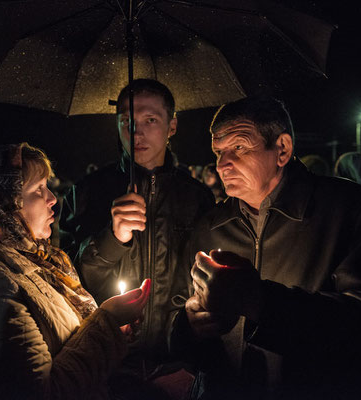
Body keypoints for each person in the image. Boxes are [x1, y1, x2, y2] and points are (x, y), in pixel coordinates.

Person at [170, 97, 361, 399]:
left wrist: (264, 304)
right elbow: (182, 315)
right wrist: (190, 323)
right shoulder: (210, 227)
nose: (223, 164)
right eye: (219, 152)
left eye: (239, 148)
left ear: (283, 149)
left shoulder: (350, 211)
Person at [0, 143, 151, 399]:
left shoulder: (31, 260)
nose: (52, 198)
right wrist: (106, 324)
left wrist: (113, 329)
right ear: (0, 204)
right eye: (38, 189)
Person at [61, 79, 214, 395]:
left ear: (172, 126)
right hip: (107, 367)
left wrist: (187, 350)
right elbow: (68, 280)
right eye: (127, 122)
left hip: (176, 366)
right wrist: (112, 239)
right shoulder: (85, 193)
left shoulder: (197, 198)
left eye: (150, 120)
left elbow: (200, 282)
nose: (137, 132)